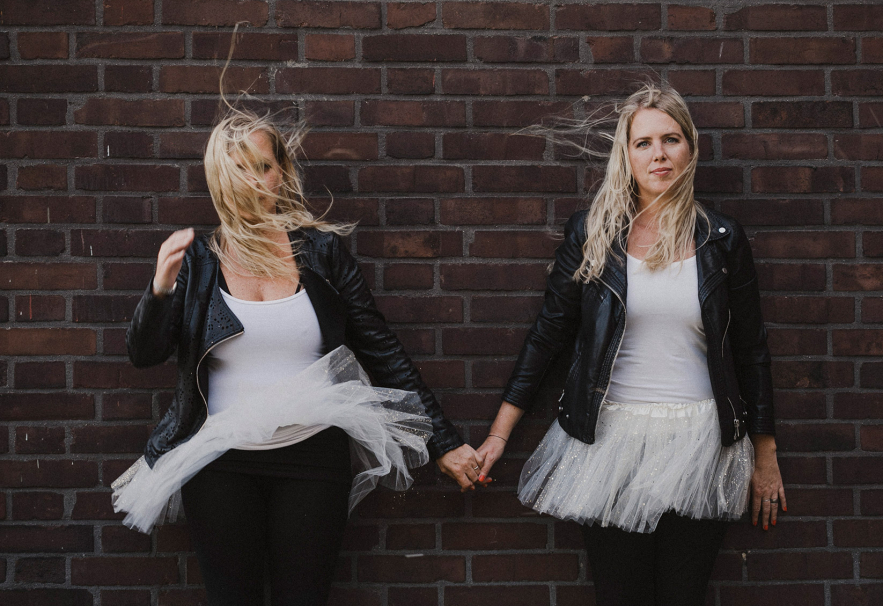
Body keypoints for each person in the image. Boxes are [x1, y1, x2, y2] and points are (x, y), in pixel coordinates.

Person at [113, 106, 483, 606]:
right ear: (218, 177)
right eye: (238, 169)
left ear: (282, 172)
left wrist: (444, 442)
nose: (253, 181)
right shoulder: (199, 261)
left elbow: (381, 348)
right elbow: (144, 353)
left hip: (312, 459)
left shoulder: (321, 253)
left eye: (263, 166)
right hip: (219, 463)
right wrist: (160, 289)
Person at [475, 84, 785, 606]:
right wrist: (499, 435)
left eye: (671, 139)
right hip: (610, 442)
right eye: (644, 143)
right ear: (627, 154)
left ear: (690, 149)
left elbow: (751, 350)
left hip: (701, 441)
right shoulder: (592, 233)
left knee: (683, 595)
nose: (658, 154)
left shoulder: (722, 239)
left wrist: (766, 454)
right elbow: (548, 335)